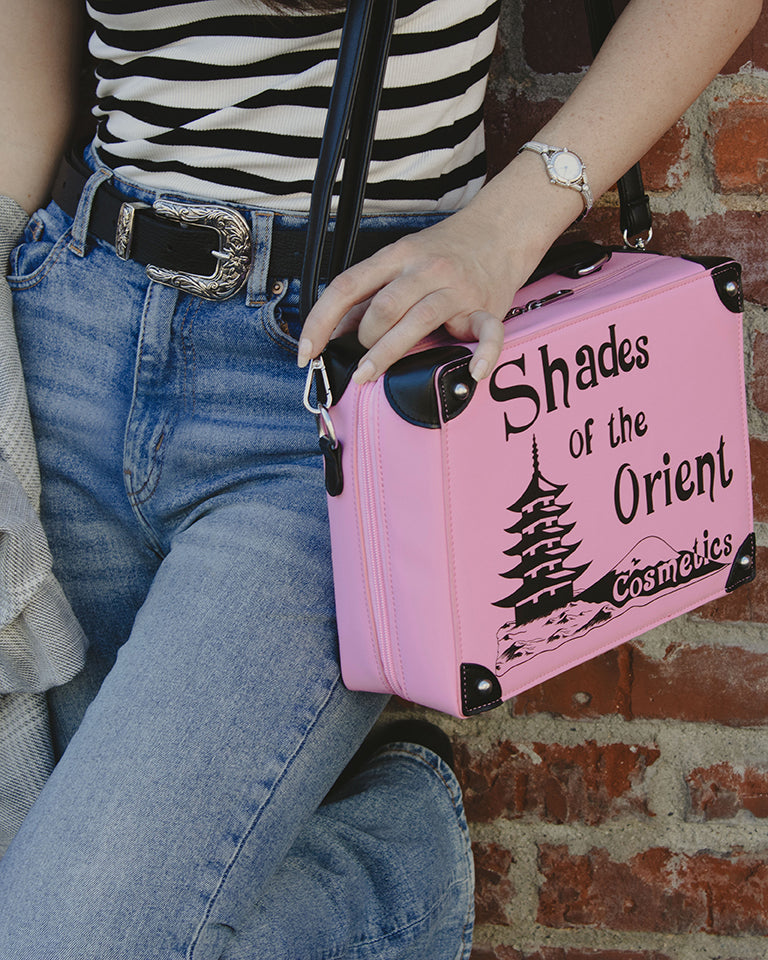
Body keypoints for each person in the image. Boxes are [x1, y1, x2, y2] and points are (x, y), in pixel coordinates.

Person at [0, 0, 760, 957]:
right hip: (70, 335)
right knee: (39, 847)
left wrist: (512, 221)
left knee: (67, 935)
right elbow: (23, 70)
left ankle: (395, 872)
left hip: (334, 384)